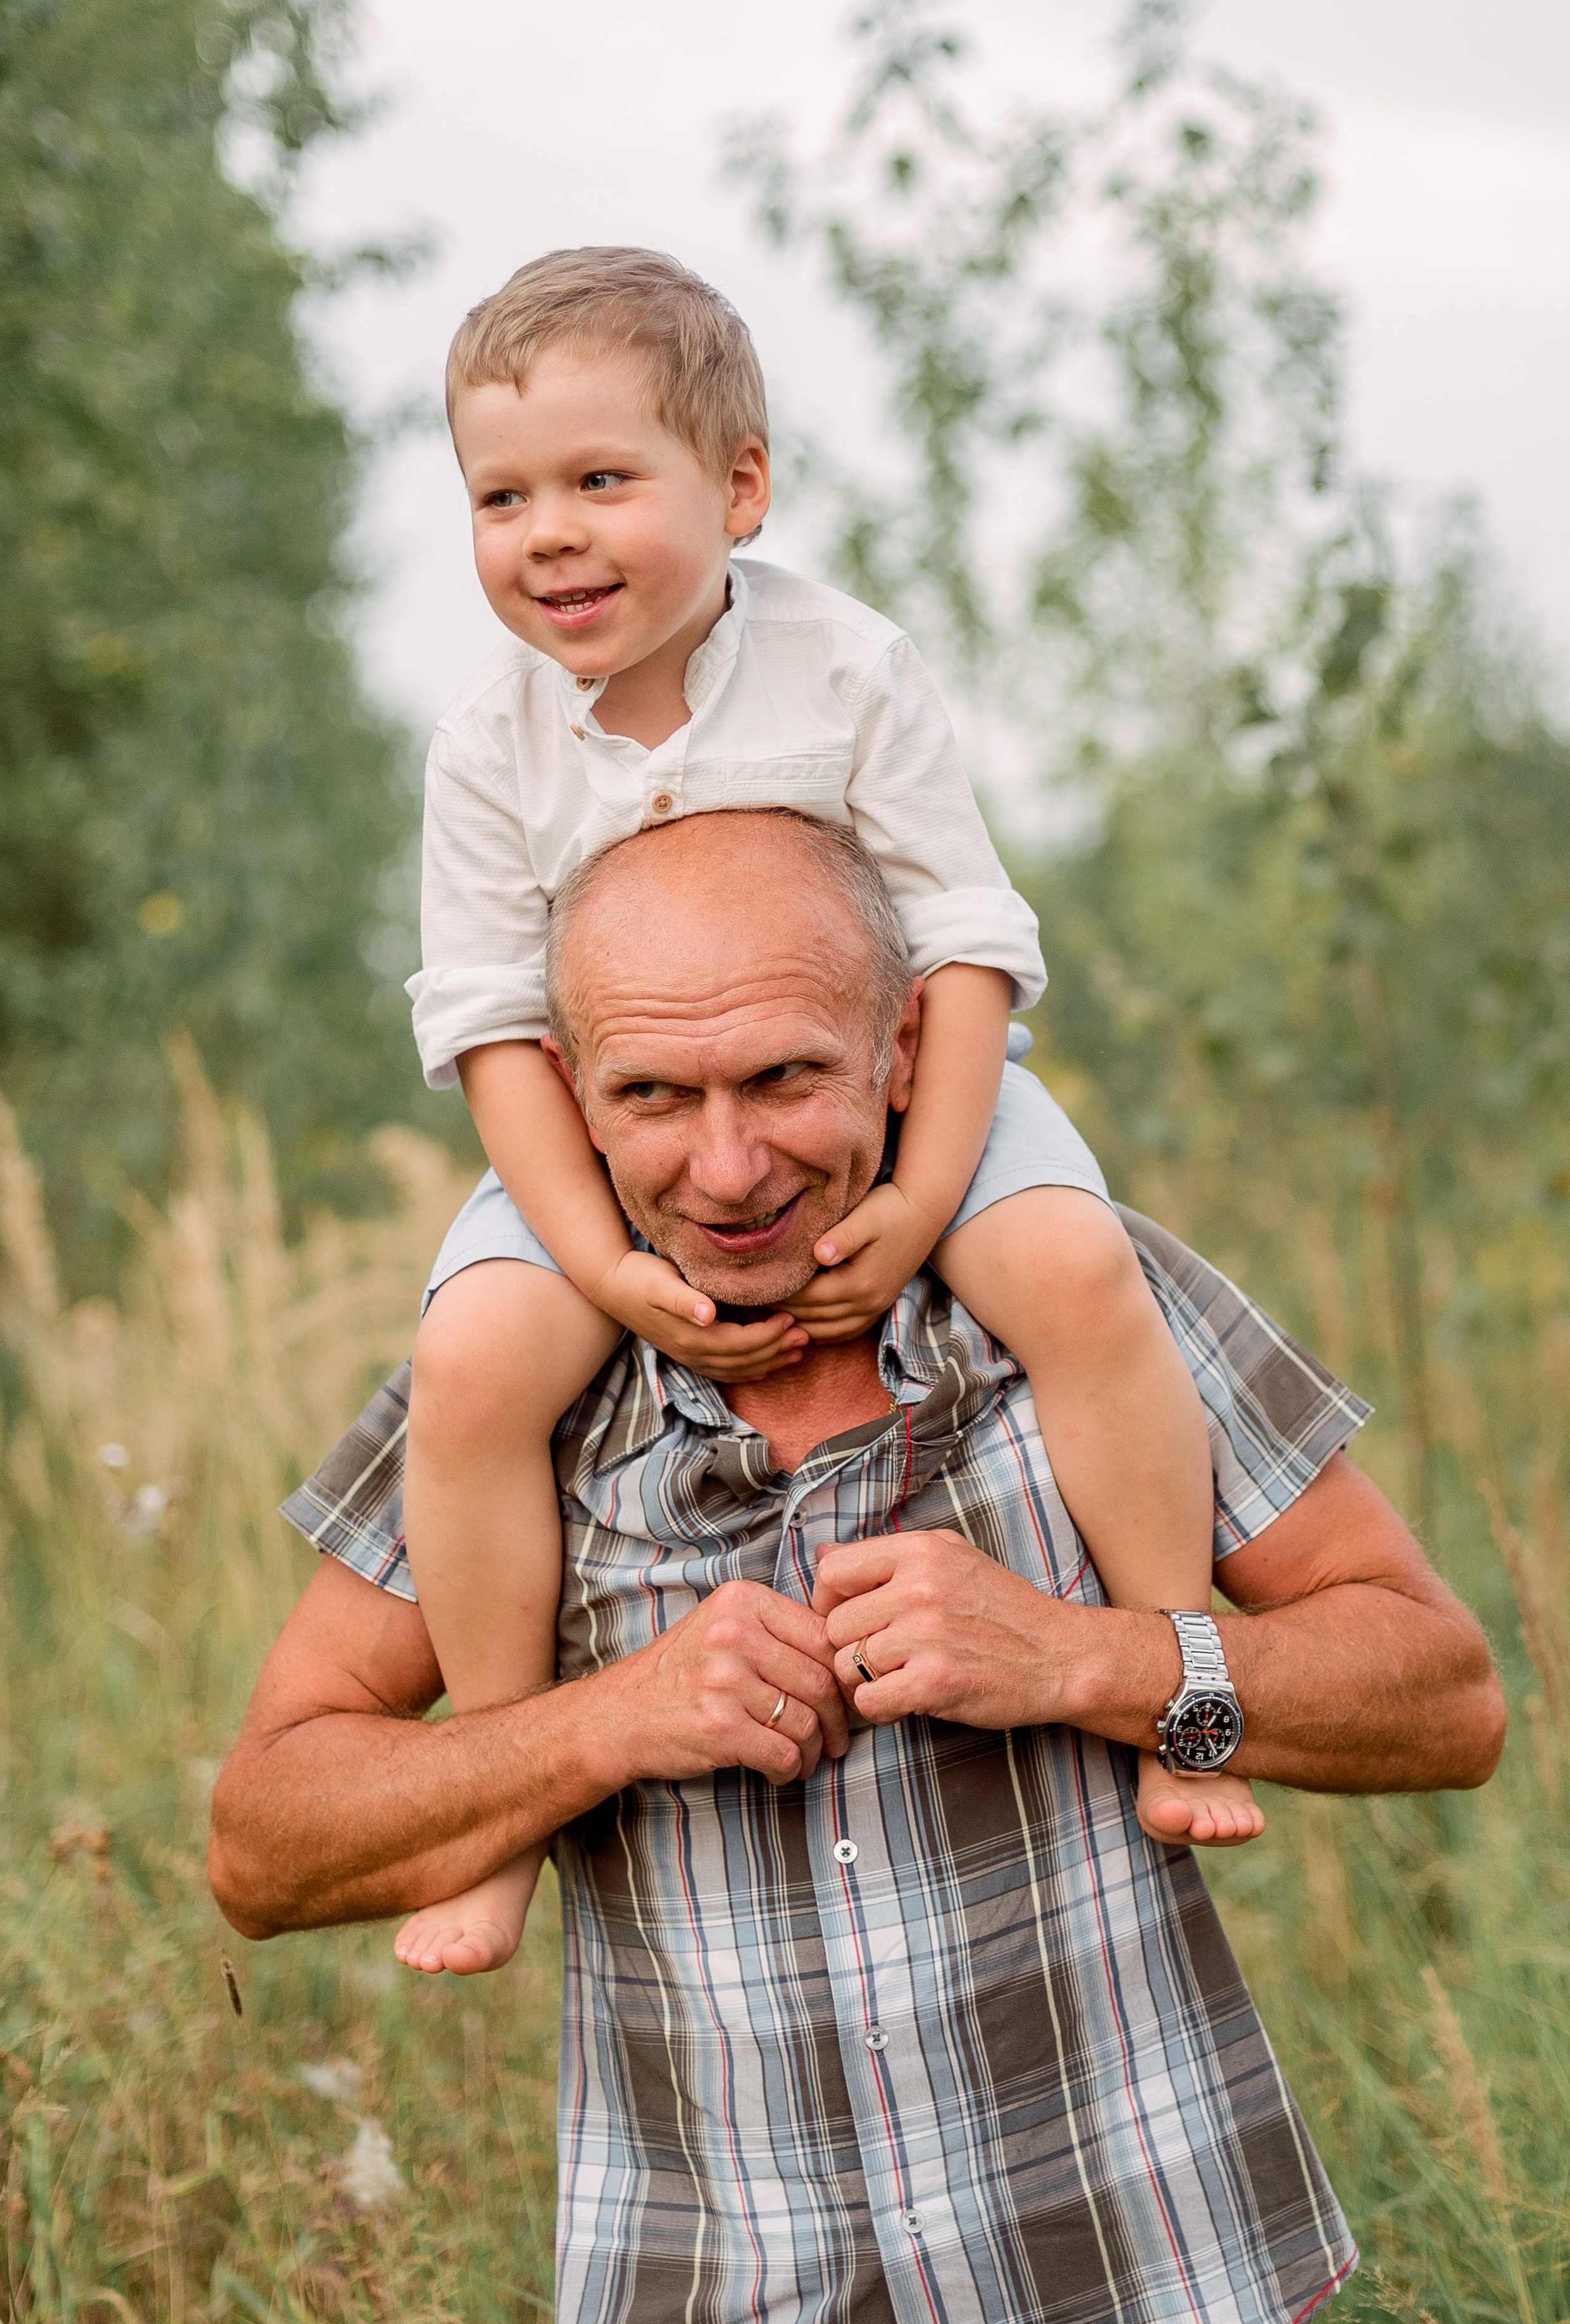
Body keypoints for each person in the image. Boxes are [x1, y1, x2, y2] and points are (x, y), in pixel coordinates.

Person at [209, 809, 1505, 2324]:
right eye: (653, 1098)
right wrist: (608, 1721)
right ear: (564, 1091)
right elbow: (262, 1847)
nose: (728, 1167)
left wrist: (1084, 1660)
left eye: (784, 1080)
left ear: (903, 1049)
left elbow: (1445, 1700)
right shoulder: (501, 1392)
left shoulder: (1081, 1297)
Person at [399, 246, 1255, 1979]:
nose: (546, 532)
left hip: (915, 1086)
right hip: (600, 1139)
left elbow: (963, 947)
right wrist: (593, 1257)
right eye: (501, 497)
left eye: (598, 481)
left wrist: (930, 1193)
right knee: (478, 1369)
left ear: (741, 487)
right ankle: (491, 1810)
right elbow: (493, 1025)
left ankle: (1172, 1666)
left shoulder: (847, 668)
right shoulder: (487, 744)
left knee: (1080, 1276)